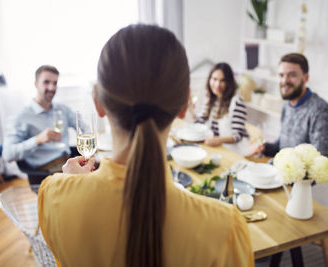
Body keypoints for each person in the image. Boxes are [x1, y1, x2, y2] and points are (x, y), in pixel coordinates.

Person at [38, 24, 254, 267]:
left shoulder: (53, 195)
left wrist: (69, 184)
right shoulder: (225, 229)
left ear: (98, 102)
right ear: (184, 105)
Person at [2, 65, 77, 184]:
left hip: (68, 161)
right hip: (46, 173)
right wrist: (37, 140)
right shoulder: (21, 116)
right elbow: (7, 154)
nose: (51, 87)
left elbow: (82, 126)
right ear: (36, 84)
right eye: (46, 82)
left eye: (55, 83)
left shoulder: (63, 109)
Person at [252, 53, 328, 160]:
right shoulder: (287, 105)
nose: (284, 81)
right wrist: (263, 147)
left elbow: (323, 162)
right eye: (281, 75)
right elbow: (282, 147)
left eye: (292, 75)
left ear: (305, 78)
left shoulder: (320, 110)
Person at [195, 63, 250, 155]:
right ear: (209, 79)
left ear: (229, 83)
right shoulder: (211, 98)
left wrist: (218, 140)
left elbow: (238, 136)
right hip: (216, 149)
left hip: (233, 151)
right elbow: (201, 120)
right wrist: (190, 111)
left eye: (222, 81)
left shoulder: (236, 102)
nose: (217, 84)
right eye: (214, 79)